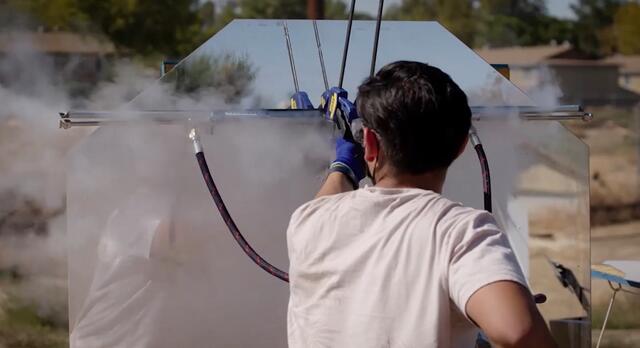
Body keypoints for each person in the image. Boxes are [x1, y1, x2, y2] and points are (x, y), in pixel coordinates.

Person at [286, 61, 557, 347]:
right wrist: (509, 301)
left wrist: (343, 165)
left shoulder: (308, 221)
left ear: (369, 142)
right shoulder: (459, 231)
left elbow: (323, 205)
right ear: (462, 145)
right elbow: (519, 331)